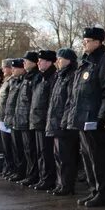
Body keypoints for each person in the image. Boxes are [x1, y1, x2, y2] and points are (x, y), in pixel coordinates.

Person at [68, 27, 105, 208]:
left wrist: (101, 117)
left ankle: (103, 192)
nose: (84, 44)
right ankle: (94, 190)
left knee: (98, 157)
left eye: (87, 41)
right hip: (82, 118)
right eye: (84, 41)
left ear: (98, 42)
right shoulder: (85, 64)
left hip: (94, 118)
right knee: (87, 156)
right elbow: (76, 95)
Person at [46, 48, 79, 196]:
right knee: (58, 156)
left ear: (69, 60)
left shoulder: (72, 75)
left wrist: (65, 121)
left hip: (64, 123)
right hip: (56, 121)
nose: (57, 61)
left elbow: (71, 101)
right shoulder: (59, 76)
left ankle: (67, 184)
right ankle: (60, 183)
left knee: (66, 157)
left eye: (61, 58)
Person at [29, 50, 58, 191]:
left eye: (42, 60)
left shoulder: (52, 77)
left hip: (45, 120)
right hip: (37, 119)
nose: (39, 62)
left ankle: (48, 179)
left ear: (49, 62)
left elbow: (51, 102)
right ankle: (42, 177)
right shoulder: (39, 77)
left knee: (46, 153)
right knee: (40, 152)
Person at [15, 52, 41, 186]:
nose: (24, 63)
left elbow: (33, 101)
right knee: (27, 150)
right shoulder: (26, 77)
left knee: (32, 150)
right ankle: (29, 174)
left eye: (26, 61)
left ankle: (34, 175)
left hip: (30, 119)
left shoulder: (35, 77)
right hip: (23, 119)